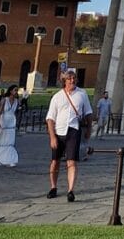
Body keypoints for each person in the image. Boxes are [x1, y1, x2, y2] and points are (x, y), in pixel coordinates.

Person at [46, 69, 93, 201]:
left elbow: (88, 113)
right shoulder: (57, 97)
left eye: (74, 78)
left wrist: (89, 129)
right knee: (55, 161)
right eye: (70, 78)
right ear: (64, 81)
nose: (73, 80)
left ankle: (70, 190)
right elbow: (50, 119)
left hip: (73, 130)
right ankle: (53, 187)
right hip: (58, 131)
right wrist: (52, 137)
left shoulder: (82, 94)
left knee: (71, 161)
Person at [0, 84, 20, 167]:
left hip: (11, 123)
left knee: (10, 142)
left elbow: (15, 113)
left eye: (17, 90)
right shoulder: (4, 100)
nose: (16, 92)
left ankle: (10, 159)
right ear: (11, 91)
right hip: (3, 122)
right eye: (15, 90)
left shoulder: (17, 101)